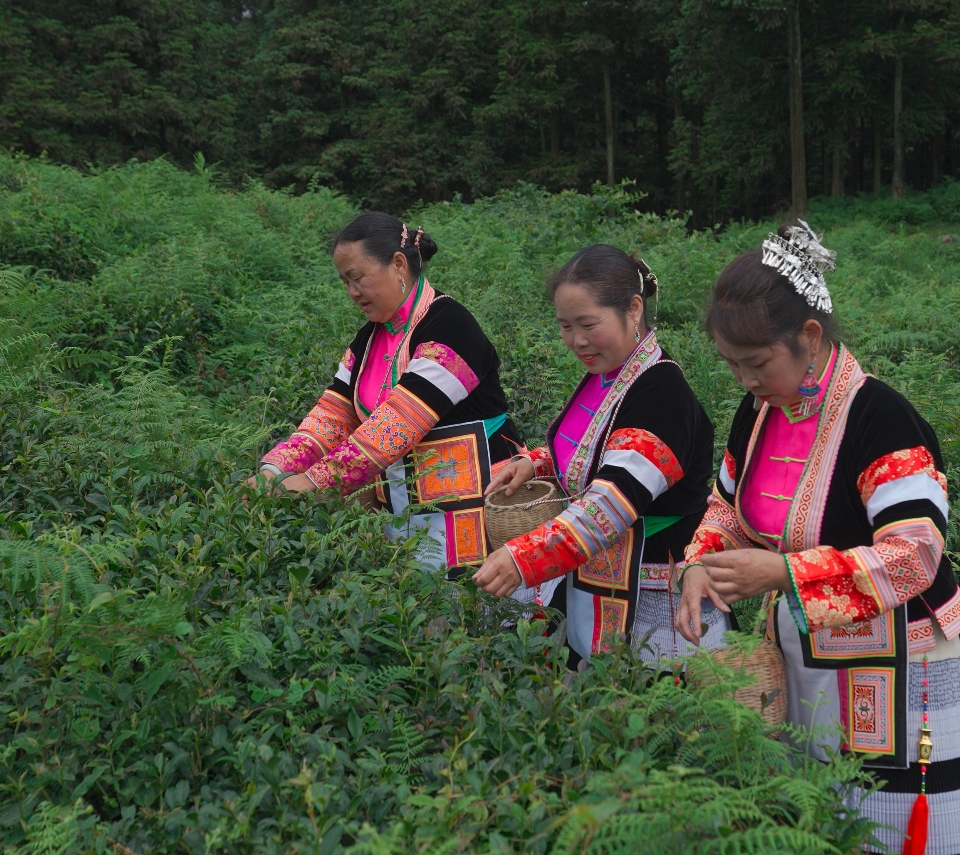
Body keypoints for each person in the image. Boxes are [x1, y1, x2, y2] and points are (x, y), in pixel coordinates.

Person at [674, 223, 960, 855]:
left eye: (756, 362)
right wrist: (702, 563)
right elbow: (727, 507)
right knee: (822, 834)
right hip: (805, 664)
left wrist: (783, 572)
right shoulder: (759, 412)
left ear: (810, 339)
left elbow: (913, 558)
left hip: (901, 676)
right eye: (731, 364)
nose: (743, 378)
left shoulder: (882, 418)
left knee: (912, 850)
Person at [472, 245, 729, 666]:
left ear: (633, 308)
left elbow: (610, 502)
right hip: (596, 570)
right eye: (565, 326)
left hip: (653, 590)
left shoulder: (660, 393)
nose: (577, 341)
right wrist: (534, 462)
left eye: (588, 324)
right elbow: (588, 448)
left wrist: (526, 557)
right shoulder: (607, 375)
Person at [256, 211, 524, 573]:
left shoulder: (450, 325)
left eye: (358, 278)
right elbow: (333, 415)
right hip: (405, 510)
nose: (352, 293)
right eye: (344, 282)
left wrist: (310, 483)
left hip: (478, 505)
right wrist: (274, 471)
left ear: (398, 264)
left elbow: (398, 425)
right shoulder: (369, 338)